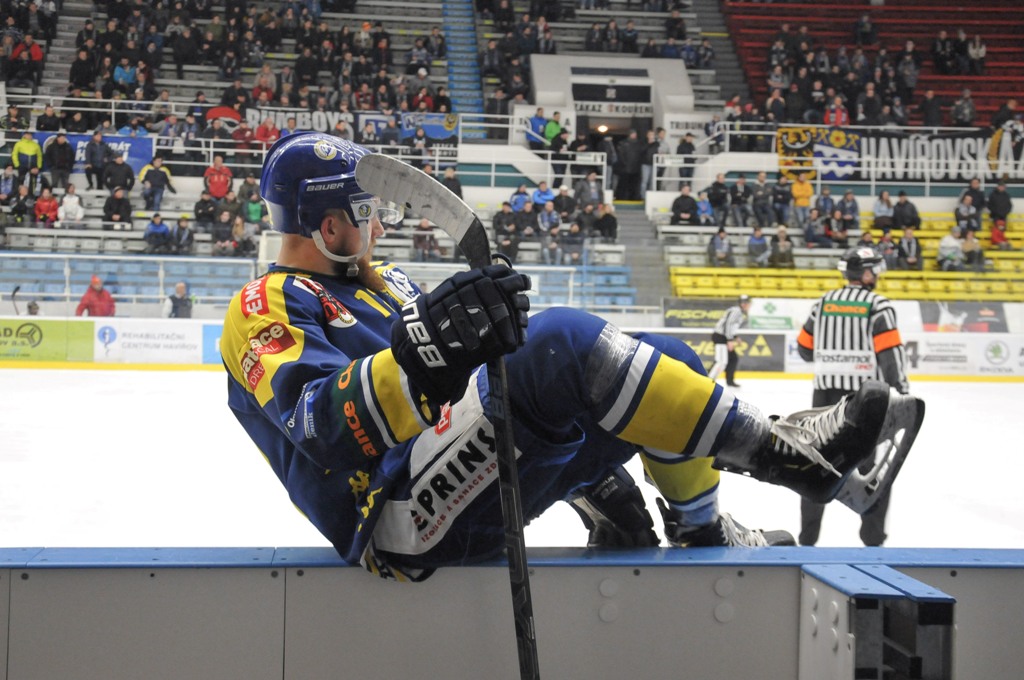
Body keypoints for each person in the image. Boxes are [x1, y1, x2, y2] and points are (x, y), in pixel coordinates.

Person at [221, 133, 923, 577]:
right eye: (368, 213)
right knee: (558, 342)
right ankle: (789, 450)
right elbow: (323, 427)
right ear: (330, 225)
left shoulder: (389, 283)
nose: (380, 225)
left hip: (445, 479)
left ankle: (703, 532)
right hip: (395, 518)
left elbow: (472, 391)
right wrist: (424, 358)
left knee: (668, 357)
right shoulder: (263, 307)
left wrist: (593, 481)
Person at [796, 248, 911, 548]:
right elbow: (890, 355)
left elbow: (804, 349)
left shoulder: (822, 303)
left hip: (823, 400)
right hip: (865, 401)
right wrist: (902, 391)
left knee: (817, 466)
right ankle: (873, 539)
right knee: (869, 470)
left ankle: (807, 539)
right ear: (867, 273)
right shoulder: (878, 305)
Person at [708, 295, 751, 388]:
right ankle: (708, 380)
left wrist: (735, 337)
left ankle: (728, 380)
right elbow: (728, 324)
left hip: (724, 337)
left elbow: (730, 326)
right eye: (745, 303)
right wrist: (730, 340)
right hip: (721, 337)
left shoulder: (738, 312)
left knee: (731, 359)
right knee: (721, 361)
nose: (746, 305)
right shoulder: (736, 311)